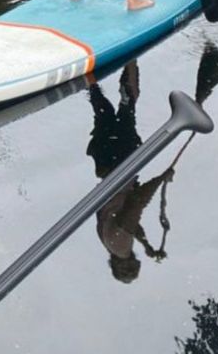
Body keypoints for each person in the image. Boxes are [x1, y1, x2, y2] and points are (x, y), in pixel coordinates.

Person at [84, 60, 176, 283]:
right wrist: (145, 244)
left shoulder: (121, 245)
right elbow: (129, 223)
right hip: (105, 165)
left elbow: (137, 204)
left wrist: (161, 178)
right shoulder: (109, 244)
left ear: (126, 264)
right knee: (102, 109)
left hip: (121, 165)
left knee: (128, 107)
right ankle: (87, 73)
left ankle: (131, 59)